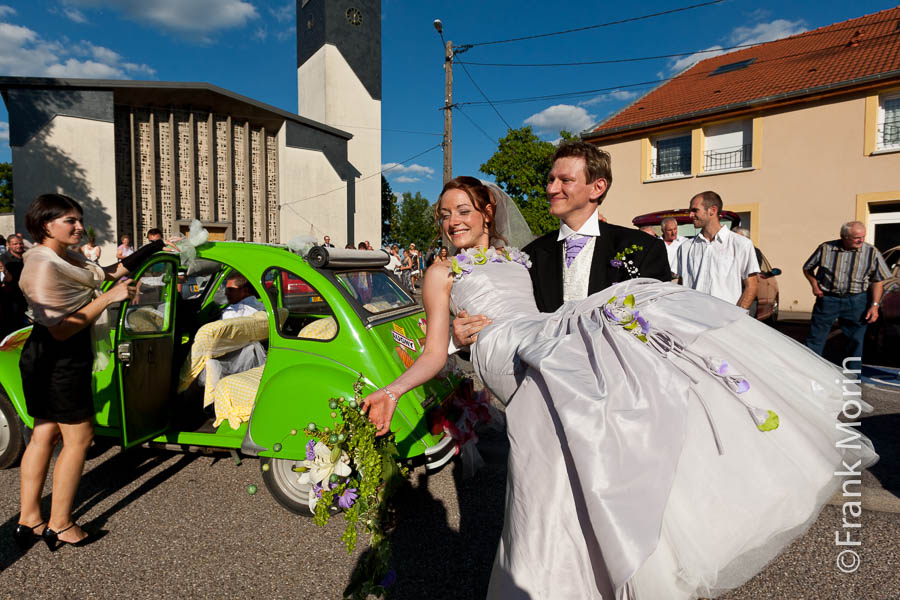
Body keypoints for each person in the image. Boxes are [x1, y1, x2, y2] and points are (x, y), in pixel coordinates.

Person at [361, 177, 876, 599]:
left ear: (486, 212)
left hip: (539, 333)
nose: (453, 221)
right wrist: (397, 387)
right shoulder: (441, 271)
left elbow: (541, 307)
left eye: (463, 210)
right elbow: (434, 351)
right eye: (445, 213)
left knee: (603, 402)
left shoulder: (517, 259)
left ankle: (606, 559)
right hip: (507, 348)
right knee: (582, 361)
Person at [15, 194, 166, 551]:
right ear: (45, 225)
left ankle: (29, 519)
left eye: (78, 219)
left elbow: (110, 273)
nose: (79, 226)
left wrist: (153, 248)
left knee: (45, 431)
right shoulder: (42, 265)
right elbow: (61, 328)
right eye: (70, 220)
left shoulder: (65, 259)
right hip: (58, 357)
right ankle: (62, 524)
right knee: (79, 437)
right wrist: (107, 299)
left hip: (50, 356)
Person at [452, 142, 670, 347]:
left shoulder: (643, 248)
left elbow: (658, 330)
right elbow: (509, 323)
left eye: (565, 180)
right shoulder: (531, 255)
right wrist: (462, 340)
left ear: (597, 187)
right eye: (550, 180)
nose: (551, 189)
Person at [803, 221, 890, 362]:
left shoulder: (871, 253)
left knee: (855, 342)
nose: (861, 240)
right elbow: (807, 268)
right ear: (843, 236)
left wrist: (874, 305)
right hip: (827, 300)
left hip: (857, 302)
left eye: (863, 236)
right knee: (815, 340)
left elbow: (878, 280)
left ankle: (852, 379)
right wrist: (814, 284)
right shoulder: (826, 248)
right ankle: (809, 374)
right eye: (856, 237)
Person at [675, 191, 759, 309]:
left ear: (712, 210)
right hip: (693, 320)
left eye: (695, 210)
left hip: (726, 321)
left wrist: (737, 317)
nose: (690, 215)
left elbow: (752, 286)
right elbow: (681, 284)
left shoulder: (741, 244)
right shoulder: (685, 247)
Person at [1, 233, 28, 334]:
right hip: (12, 298)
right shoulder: (3, 259)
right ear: (8, 244)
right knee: (13, 325)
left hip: (28, 295)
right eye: (15, 244)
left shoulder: (27, 256)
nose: (19, 246)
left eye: (20, 243)